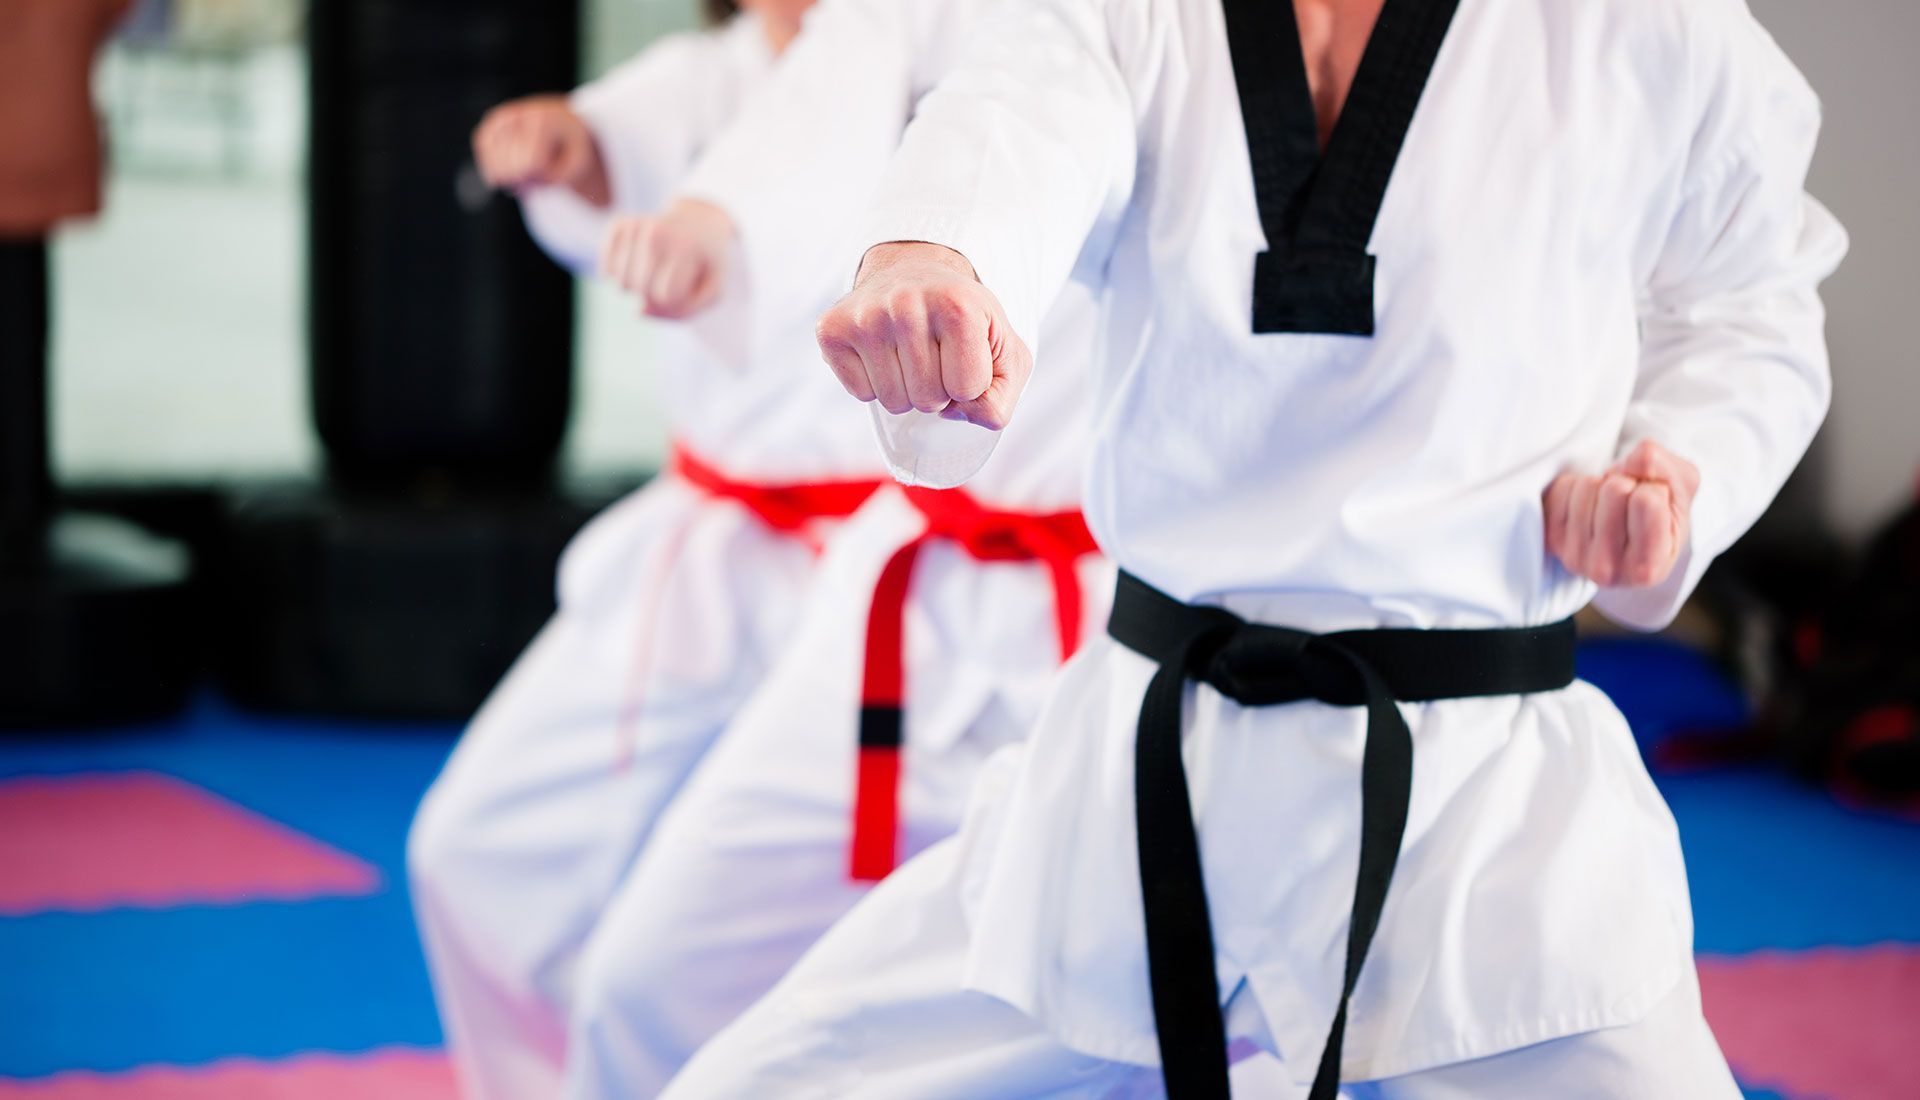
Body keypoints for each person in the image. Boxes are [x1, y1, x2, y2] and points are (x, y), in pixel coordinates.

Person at [661, 0, 1846, 1096]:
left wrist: (1675, 466)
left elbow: (1753, 299)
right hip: (1137, 770)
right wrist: (940, 263)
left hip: (1479, 806)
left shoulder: (1642, 21)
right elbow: (1009, 118)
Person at [548, 1, 1135, 1095]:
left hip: (1124, 638)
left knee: (1110, 1026)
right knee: (648, 983)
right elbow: (839, 111)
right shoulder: (910, 18)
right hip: (906, 607)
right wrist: (718, 227)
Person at [405, 4, 891, 1099]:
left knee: (795, 934)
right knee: (477, 847)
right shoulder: (702, 79)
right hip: (711, 559)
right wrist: (566, 148)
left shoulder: (964, 66)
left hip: (901, 582)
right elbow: (610, 144)